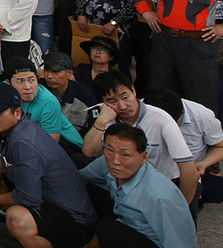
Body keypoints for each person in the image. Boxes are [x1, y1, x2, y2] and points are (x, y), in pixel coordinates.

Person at [79, 123, 218, 248]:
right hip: (133, 226)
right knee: (90, 191)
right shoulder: (107, 164)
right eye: (109, 150)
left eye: (125, 155)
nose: (115, 161)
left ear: (143, 157)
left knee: (107, 228)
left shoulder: (159, 197)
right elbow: (81, 177)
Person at [0, 83, 97, 248]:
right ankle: (45, 236)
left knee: (17, 218)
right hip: (57, 203)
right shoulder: (15, 127)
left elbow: (27, 198)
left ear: (17, 112)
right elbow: (3, 155)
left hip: (77, 223)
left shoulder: (24, 143)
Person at [83, 71, 199, 208]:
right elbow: (89, 151)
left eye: (125, 97)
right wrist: (101, 121)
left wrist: (181, 207)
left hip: (163, 185)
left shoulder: (161, 119)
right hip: (126, 182)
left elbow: (189, 171)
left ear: (133, 90)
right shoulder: (108, 118)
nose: (122, 106)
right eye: (112, 101)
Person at [142, 89, 223, 205]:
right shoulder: (138, 113)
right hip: (153, 175)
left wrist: (204, 163)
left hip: (190, 173)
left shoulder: (203, 116)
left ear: (182, 112)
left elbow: (221, 147)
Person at [5, 57, 85, 154]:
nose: (27, 87)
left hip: (66, 147)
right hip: (23, 141)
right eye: (20, 81)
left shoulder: (49, 102)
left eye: (32, 80)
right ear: (8, 83)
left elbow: (50, 145)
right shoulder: (2, 92)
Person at [41, 51, 97, 133]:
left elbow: (94, 127)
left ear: (70, 73)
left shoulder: (84, 95)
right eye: (46, 70)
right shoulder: (38, 89)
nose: (49, 76)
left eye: (55, 72)